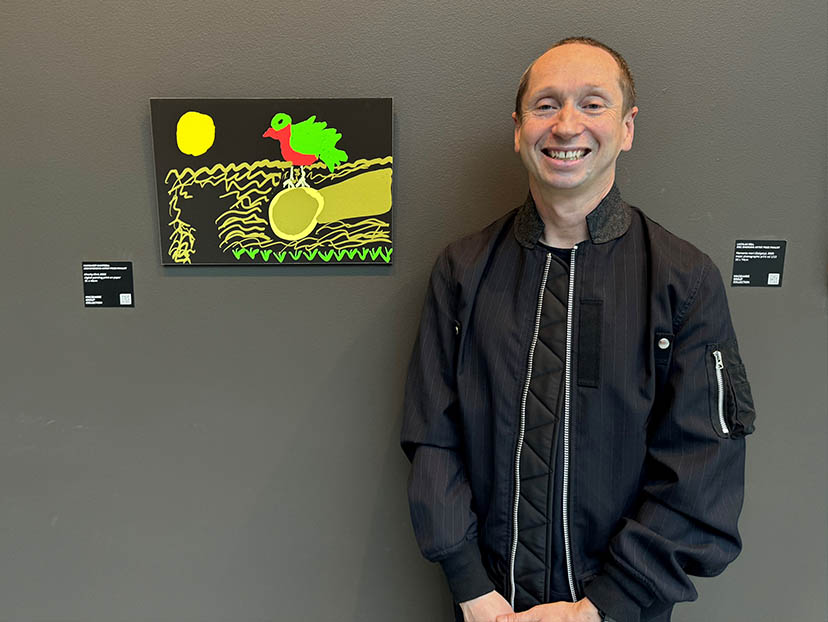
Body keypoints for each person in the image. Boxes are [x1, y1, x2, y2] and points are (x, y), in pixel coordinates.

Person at [401, 37, 756, 622]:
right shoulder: (462, 271)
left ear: (627, 126)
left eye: (592, 104)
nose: (566, 126)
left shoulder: (684, 280)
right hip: (486, 609)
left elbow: (703, 467)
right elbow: (432, 437)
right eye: (546, 105)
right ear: (519, 129)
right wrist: (472, 589)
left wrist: (599, 607)